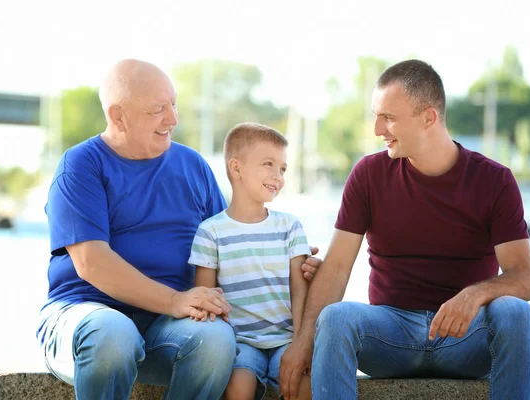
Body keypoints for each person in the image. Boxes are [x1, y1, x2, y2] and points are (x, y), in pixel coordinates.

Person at [35, 60, 320, 400]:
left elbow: (229, 244)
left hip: (166, 330)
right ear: (118, 116)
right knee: (114, 334)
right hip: (87, 319)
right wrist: (173, 299)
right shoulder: (80, 165)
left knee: (216, 340)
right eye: (157, 110)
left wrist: (288, 261)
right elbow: (92, 263)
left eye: (173, 104)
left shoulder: (192, 165)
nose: (172, 119)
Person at [280, 59, 530, 400]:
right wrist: (301, 344)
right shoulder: (368, 174)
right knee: (337, 318)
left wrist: (474, 295)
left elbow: (523, 278)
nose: (377, 129)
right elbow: (337, 267)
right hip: (390, 336)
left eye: (388, 117)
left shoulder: (494, 180)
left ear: (428, 118)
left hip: (465, 338)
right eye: (376, 115)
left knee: (516, 311)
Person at [189, 123, 312, 400]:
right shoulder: (211, 231)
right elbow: (207, 300)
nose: (277, 176)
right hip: (239, 343)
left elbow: (299, 289)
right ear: (236, 168)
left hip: (287, 340)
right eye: (268, 164)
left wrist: (301, 343)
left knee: (303, 387)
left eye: (282, 168)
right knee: (238, 387)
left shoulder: (290, 227)